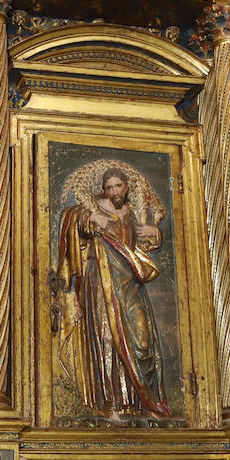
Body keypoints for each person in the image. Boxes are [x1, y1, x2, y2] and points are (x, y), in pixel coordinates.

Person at [57, 165, 170, 421]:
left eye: (118, 186)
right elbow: (73, 220)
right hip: (101, 282)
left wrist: (155, 232)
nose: (114, 191)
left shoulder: (133, 214)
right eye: (109, 187)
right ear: (103, 189)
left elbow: (145, 244)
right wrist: (91, 217)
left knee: (142, 340)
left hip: (130, 283)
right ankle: (111, 404)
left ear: (126, 187)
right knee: (107, 336)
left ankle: (141, 402)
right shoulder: (94, 209)